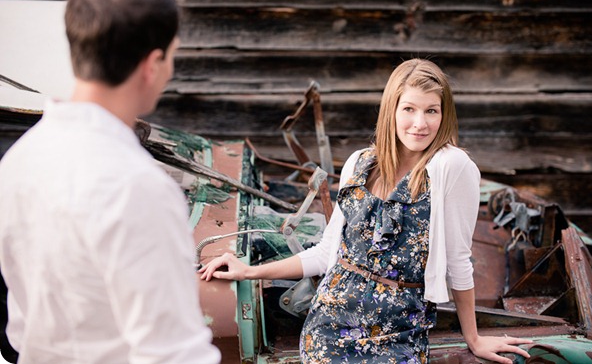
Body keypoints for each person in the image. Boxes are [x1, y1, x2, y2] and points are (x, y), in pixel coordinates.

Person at [199, 58, 533, 363]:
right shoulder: (360, 164)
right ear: (391, 110)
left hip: (398, 332)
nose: (420, 123)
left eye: (432, 111)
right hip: (331, 326)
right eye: (409, 109)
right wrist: (249, 271)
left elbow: (460, 260)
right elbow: (328, 252)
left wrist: (473, 339)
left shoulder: (452, 167)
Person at [0, 0, 221, 363]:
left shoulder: (18, 160)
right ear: (152, 64)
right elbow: (173, 355)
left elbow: (19, 325)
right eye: (172, 56)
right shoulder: (138, 188)